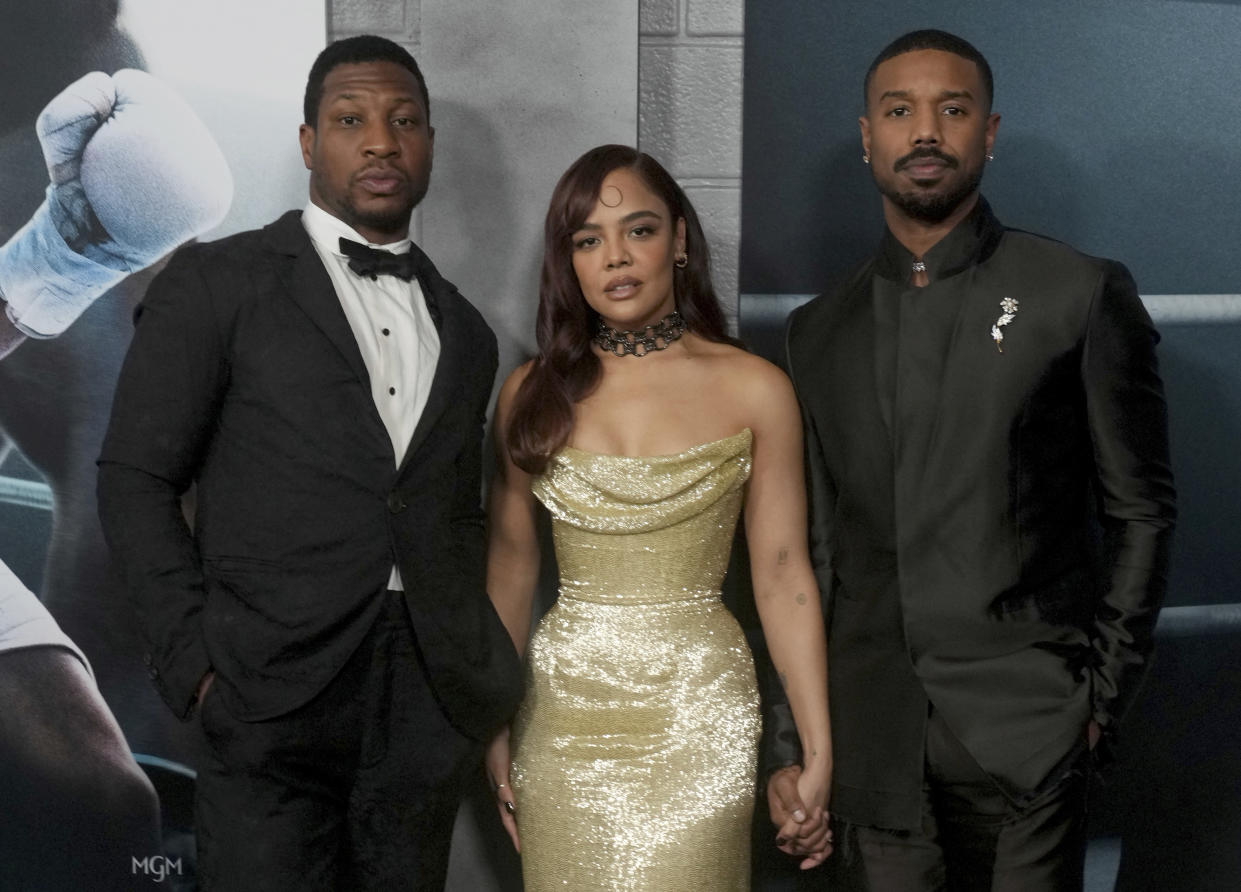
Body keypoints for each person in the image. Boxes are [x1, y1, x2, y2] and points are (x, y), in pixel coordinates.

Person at [97, 35, 522, 889]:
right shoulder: (221, 281)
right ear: (306, 143)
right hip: (263, 695)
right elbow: (135, 480)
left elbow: (449, 511)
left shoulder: (468, 332)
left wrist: (467, 684)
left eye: (405, 121)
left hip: (422, 706)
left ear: (427, 145)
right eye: (350, 119)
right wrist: (198, 667)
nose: (379, 141)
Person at [766, 29, 1176, 890]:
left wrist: (1095, 703)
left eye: (951, 110)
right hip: (873, 737)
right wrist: (798, 739)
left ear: (987, 133)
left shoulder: (1077, 291)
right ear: (867, 135)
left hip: (1028, 730)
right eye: (899, 111)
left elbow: (1138, 512)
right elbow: (813, 551)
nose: (925, 132)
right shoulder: (816, 330)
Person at [484, 144, 832, 890]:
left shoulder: (756, 389)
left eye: (638, 230)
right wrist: (493, 726)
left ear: (678, 240)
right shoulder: (529, 393)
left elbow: (781, 576)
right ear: (567, 261)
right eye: (587, 239)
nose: (615, 255)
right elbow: (511, 570)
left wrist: (816, 745)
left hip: (698, 710)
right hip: (561, 713)